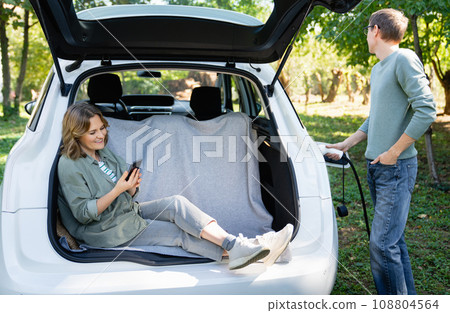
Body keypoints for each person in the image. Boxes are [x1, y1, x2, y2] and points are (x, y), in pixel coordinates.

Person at [57, 101, 293, 270]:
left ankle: (236, 245)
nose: (101, 135)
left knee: (176, 203)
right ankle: (256, 249)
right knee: (180, 233)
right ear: (76, 134)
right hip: (106, 230)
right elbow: (83, 214)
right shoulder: (70, 165)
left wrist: (131, 188)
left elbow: (125, 190)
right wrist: (119, 190)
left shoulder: (102, 154)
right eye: (93, 132)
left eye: (102, 128)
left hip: (125, 211)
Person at [327, 8, 436, 294]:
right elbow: (376, 117)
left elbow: (426, 111)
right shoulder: (378, 69)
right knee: (392, 241)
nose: (366, 35)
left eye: (367, 30)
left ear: (375, 30)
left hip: (395, 168)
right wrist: (346, 144)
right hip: (377, 167)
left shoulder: (404, 58)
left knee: (383, 244)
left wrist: (394, 152)